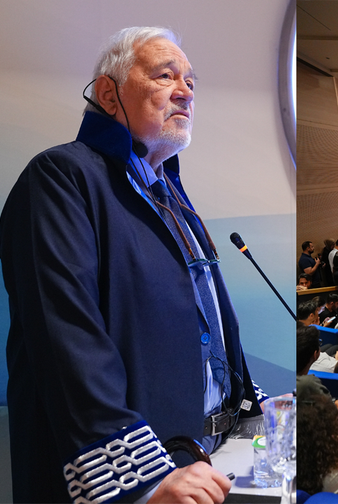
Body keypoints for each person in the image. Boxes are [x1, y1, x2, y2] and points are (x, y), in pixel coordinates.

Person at [0, 27, 269, 503]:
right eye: (166, 76)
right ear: (109, 93)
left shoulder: (170, 195)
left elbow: (205, 331)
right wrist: (143, 479)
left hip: (202, 462)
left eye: (191, 81)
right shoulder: (61, 178)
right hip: (141, 477)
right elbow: (66, 341)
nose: (186, 91)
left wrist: (253, 405)